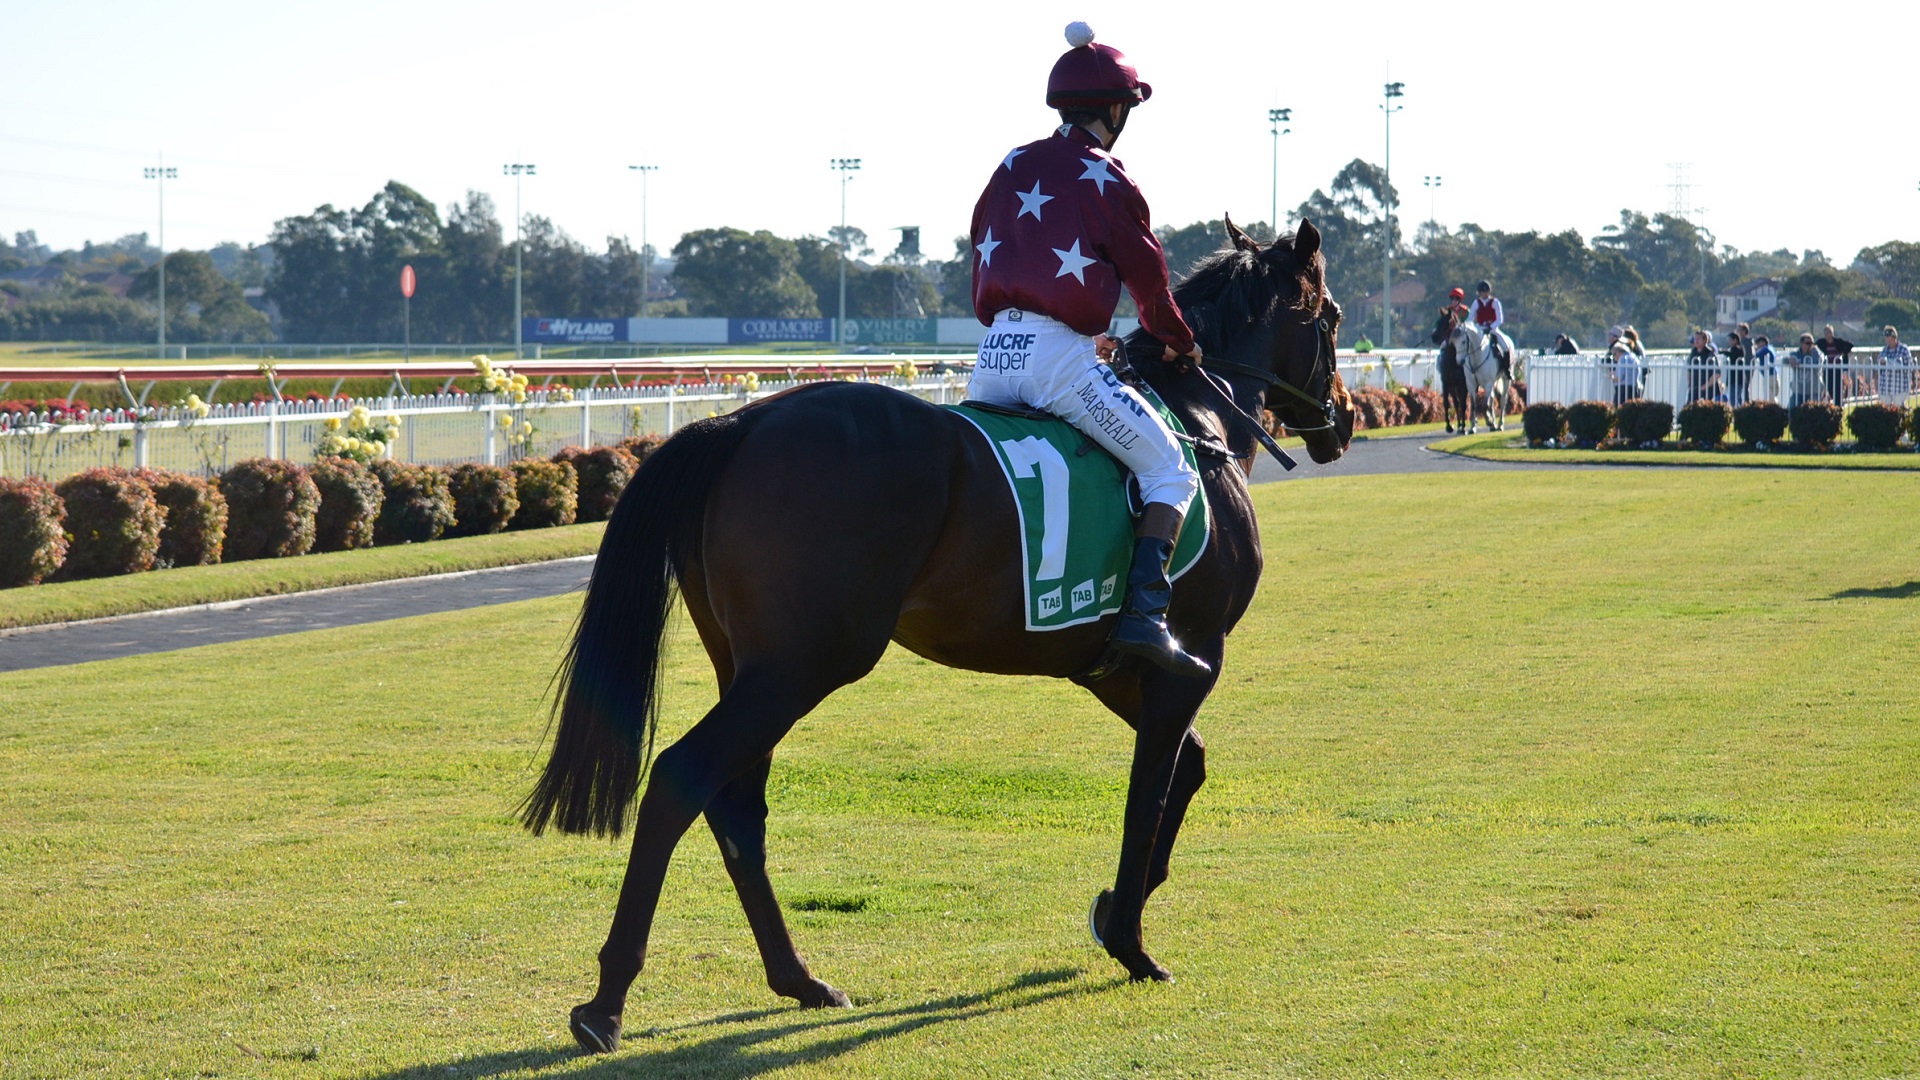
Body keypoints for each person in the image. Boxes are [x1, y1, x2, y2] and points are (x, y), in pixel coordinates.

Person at [967, 21, 1207, 677]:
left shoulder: (1012, 163)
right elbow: (1151, 288)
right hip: (1056, 362)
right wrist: (1181, 343)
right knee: (1171, 469)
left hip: (993, 356)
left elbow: (982, 253)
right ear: (1114, 109)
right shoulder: (1107, 177)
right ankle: (1144, 616)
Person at [1470, 280, 1512, 376]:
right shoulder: (1476, 303)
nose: (1484, 294)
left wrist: (1491, 326)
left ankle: (1506, 368)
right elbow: (1470, 318)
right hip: (1479, 329)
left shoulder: (1495, 302)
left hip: (1493, 329)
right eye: (1482, 292)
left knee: (1505, 346)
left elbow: (1500, 319)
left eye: (1485, 292)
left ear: (1489, 292)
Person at [1785, 333, 1825, 407]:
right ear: (1801, 344)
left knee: (1814, 411)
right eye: (1808, 343)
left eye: (1812, 343)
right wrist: (1789, 360)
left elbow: (1817, 364)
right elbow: (1784, 360)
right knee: (1791, 408)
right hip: (1798, 391)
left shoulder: (1818, 354)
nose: (1810, 345)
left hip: (1814, 391)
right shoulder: (1796, 354)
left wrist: (1814, 351)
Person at [1819, 323, 1854, 403]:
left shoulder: (1838, 342)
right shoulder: (1822, 343)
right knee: (1829, 386)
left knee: (1837, 387)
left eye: (1829, 332)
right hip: (1827, 368)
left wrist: (1844, 353)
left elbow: (1849, 345)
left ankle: (1838, 404)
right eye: (1826, 333)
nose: (1827, 334)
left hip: (1837, 368)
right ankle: (1834, 400)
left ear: (1832, 333)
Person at [1880, 325, 1913, 405]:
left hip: (1900, 387)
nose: (1888, 340)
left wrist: (1890, 363)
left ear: (1894, 337)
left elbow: (1908, 367)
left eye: (1890, 337)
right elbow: (1880, 365)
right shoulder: (1884, 350)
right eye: (1886, 337)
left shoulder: (1904, 349)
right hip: (1886, 387)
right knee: (1886, 411)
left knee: (1898, 409)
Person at [1686, 329, 1719, 402]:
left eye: (1698, 339)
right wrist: (1689, 383)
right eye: (1695, 339)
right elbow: (1689, 370)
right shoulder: (1693, 352)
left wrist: (1705, 386)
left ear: (1704, 340)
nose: (1696, 341)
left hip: (1708, 389)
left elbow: (1717, 373)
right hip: (1694, 387)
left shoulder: (1710, 353)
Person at [1723, 330, 1750, 406]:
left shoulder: (1738, 349)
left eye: (1731, 340)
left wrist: (1723, 352)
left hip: (1737, 378)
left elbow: (1732, 355)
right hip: (1735, 378)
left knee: (1733, 399)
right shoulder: (1738, 348)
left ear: (1735, 340)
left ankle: (1735, 412)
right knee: (1737, 398)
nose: (1729, 342)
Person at [1609, 340, 1641, 404]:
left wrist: (1612, 377)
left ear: (1619, 352)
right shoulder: (1634, 357)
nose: (1615, 358)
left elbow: (1620, 377)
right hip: (1634, 388)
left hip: (1623, 389)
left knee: (1619, 408)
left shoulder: (1623, 359)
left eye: (1614, 354)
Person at [1751, 333, 1778, 401]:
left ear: (1763, 342)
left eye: (1758, 344)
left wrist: (1753, 350)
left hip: (1768, 376)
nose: (1757, 346)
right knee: (1772, 396)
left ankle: (1773, 410)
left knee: (1769, 397)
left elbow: (1754, 356)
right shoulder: (1771, 348)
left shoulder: (1765, 349)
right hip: (1774, 375)